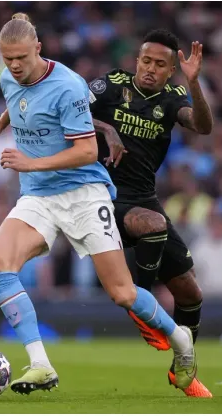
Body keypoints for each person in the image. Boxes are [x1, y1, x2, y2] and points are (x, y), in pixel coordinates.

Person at [0, 14, 196, 395]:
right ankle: (40, 365)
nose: (15, 66)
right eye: (8, 59)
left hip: (83, 194)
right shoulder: (9, 76)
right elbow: (20, 96)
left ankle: (180, 338)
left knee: (122, 293)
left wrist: (31, 163)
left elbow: (88, 150)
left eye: (22, 57)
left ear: (38, 48)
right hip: (38, 195)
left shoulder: (69, 86)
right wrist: (2, 121)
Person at [87, 29, 214, 397]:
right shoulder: (111, 86)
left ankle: (182, 368)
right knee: (154, 225)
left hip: (144, 197)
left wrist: (195, 83)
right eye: (146, 61)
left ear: (171, 70)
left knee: (190, 292)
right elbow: (66, 113)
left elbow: (204, 127)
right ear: (137, 61)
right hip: (103, 195)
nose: (150, 69)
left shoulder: (173, 98)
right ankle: (143, 307)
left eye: (160, 65)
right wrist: (106, 129)